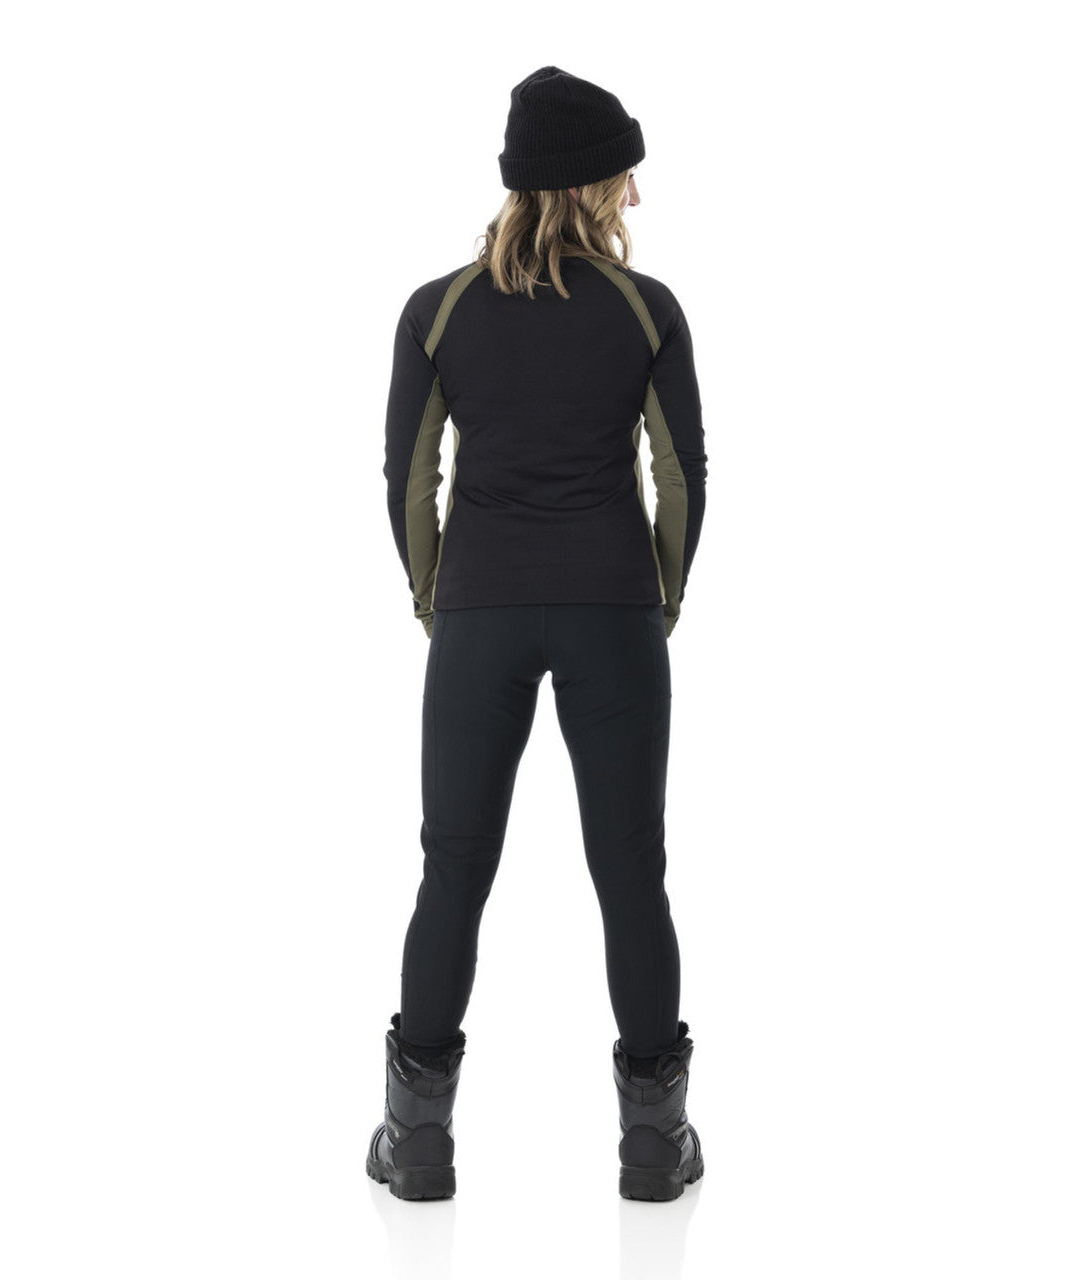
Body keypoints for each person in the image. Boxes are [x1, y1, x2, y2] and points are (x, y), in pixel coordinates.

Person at [365, 65, 708, 1202]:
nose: (635, 198)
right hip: (613, 612)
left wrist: (439, 599)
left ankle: (417, 1141)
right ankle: (654, 1145)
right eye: (625, 175)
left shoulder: (437, 310)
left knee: (454, 865)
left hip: (481, 613)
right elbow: (683, 475)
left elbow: (407, 478)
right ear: (586, 182)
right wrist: (653, 601)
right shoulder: (647, 309)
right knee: (630, 869)